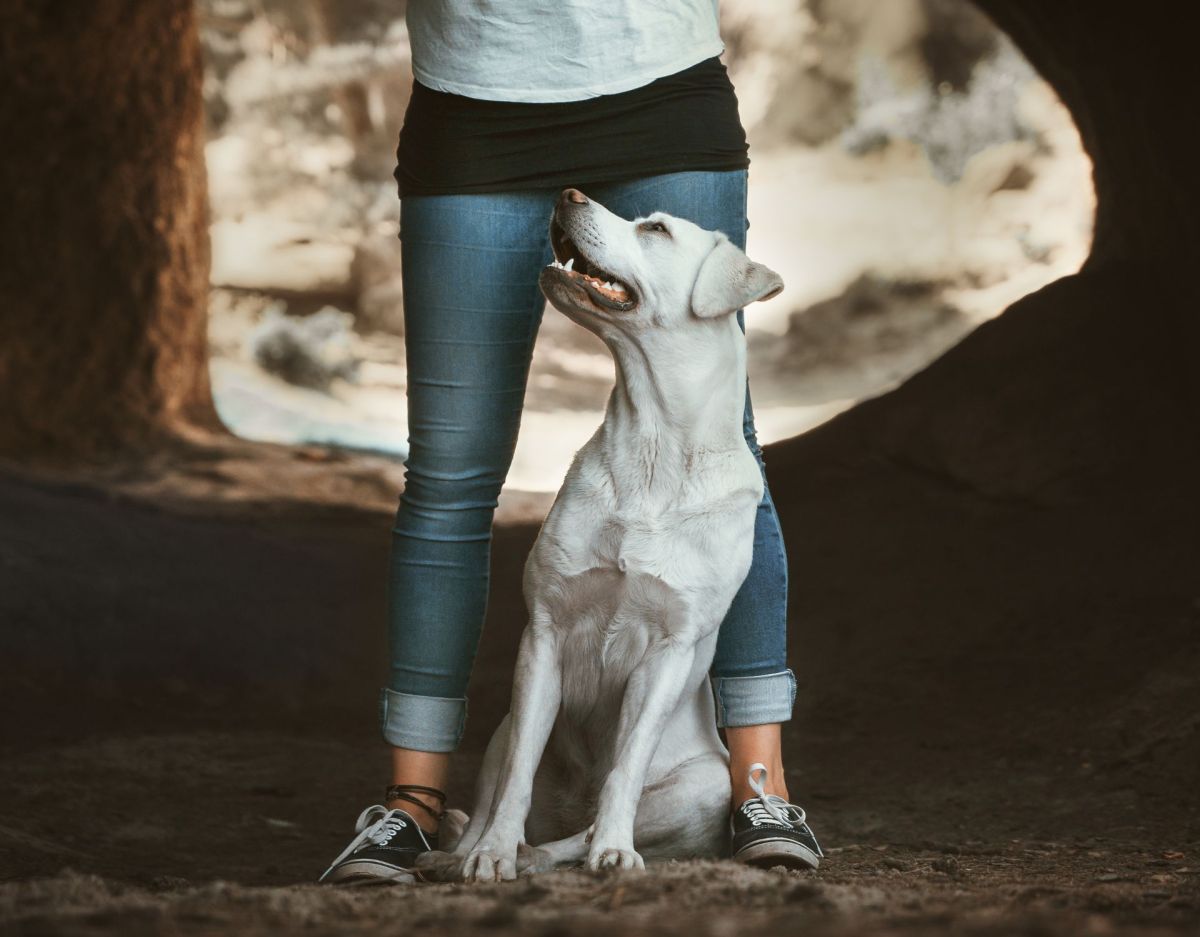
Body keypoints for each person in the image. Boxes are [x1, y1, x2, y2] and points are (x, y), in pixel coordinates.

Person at [319, 0, 822, 884]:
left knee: (726, 439)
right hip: (472, 93)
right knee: (448, 471)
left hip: (661, 83)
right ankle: (413, 805)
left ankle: (757, 786)